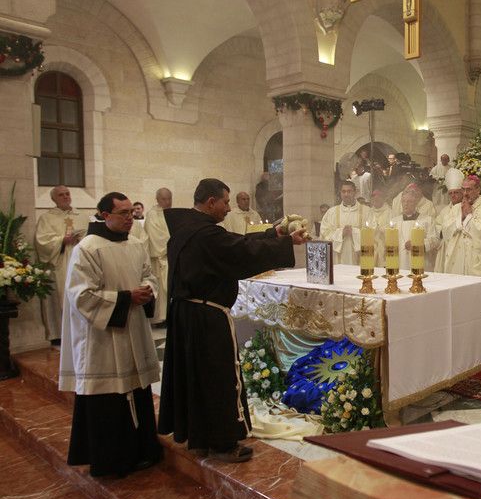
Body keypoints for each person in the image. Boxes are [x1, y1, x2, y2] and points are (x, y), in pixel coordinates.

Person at [158, 178, 309, 462]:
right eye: (225, 202)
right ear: (211, 202)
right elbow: (239, 251)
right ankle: (223, 443)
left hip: (188, 315)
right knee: (218, 378)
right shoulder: (204, 235)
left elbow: (234, 243)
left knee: (197, 378)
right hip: (207, 317)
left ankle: (201, 437)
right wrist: (285, 242)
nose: (228, 208)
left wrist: (272, 234)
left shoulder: (187, 230)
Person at [59, 192, 161, 477]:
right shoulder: (88, 248)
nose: (130, 218)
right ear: (105, 215)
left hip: (133, 329)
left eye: (131, 213)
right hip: (103, 338)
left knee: (136, 392)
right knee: (108, 401)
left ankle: (143, 450)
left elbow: (149, 275)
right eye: (123, 214)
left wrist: (148, 290)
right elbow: (81, 295)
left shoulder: (136, 244)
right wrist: (126, 297)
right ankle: (112, 461)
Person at [35, 185, 88, 345]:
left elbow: (92, 236)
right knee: (60, 296)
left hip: (81, 261)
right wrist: (61, 240)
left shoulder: (82, 215)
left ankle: (83, 329)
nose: (65, 197)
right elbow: (42, 241)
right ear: (54, 199)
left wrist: (81, 238)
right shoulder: (46, 218)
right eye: (61, 195)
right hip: (59, 262)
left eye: (67, 194)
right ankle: (60, 334)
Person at [440, 175, 481, 279]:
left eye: (469, 190)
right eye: (463, 189)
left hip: (475, 262)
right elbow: (445, 231)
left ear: (478, 190)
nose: (465, 193)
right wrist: (462, 217)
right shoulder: (456, 208)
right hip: (457, 261)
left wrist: (468, 215)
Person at [319, 181, 371, 265]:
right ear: (340, 193)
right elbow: (324, 234)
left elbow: (373, 233)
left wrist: (354, 232)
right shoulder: (331, 212)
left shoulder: (367, 211)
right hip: (337, 259)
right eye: (343, 191)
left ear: (355, 192)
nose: (346, 194)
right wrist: (341, 233)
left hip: (360, 260)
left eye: (349, 191)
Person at [144, 187, 172, 327]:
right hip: (160, 258)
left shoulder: (173, 213)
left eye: (169, 198)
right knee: (161, 291)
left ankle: (171, 315)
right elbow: (156, 237)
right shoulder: (152, 215)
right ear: (157, 199)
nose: (167, 202)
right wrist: (172, 242)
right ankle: (161, 319)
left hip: (171, 257)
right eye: (164, 199)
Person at [394, 189, 439, 271]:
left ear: (416, 203)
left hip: (421, 264)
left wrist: (418, 244)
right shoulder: (395, 222)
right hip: (400, 264)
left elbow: (435, 240)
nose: (405, 204)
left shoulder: (428, 220)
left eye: (409, 201)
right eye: (403, 201)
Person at [434, 169, 464, 272]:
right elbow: (437, 227)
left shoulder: (467, 208)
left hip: (460, 250)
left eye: (456, 192)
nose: (453, 195)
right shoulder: (444, 211)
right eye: (450, 193)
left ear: (462, 192)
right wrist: (442, 232)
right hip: (446, 249)